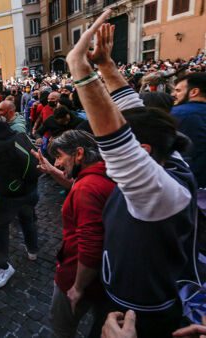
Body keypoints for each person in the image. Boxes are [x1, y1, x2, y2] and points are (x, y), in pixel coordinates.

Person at [66, 12, 199, 337]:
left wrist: (80, 69)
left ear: (142, 152)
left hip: (138, 315)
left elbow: (118, 144)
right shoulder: (171, 156)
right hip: (129, 295)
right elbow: (132, 107)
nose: (103, 153)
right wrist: (106, 66)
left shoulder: (162, 194)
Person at [39, 130, 116, 338]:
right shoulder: (101, 174)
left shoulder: (88, 187)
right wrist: (52, 172)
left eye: (59, 156)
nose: (57, 163)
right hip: (103, 277)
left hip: (75, 276)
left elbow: (90, 246)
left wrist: (77, 287)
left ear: (79, 153)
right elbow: (77, 185)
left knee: (62, 328)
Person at [0, 113, 40, 289]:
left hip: (10, 195)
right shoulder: (18, 135)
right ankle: (32, 251)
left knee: (1, 226)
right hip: (31, 190)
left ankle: (3, 264)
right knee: (27, 220)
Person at [171, 72, 206, 187]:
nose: (173, 94)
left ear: (194, 92)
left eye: (178, 90)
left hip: (190, 184)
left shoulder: (180, 114)